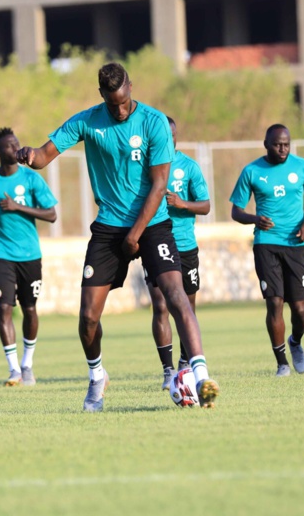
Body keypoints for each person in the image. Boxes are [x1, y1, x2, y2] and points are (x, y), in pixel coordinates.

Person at [16, 62, 220, 411]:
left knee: (177, 296)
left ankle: (201, 377)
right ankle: (97, 376)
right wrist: (29, 155)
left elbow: (159, 185)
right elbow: (43, 156)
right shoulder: (87, 121)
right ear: (102, 96)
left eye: (124, 102)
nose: (121, 110)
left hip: (152, 224)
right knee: (88, 317)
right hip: (109, 226)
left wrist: (135, 235)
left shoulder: (154, 121)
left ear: (131, 86)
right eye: (113, 105)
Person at [229, 124, 304, 377]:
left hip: (296, 244)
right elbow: (236, 211)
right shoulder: (252, 171)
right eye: (278, 144)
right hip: (266, 243)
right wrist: (254, 219)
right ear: (266, 145)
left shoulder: (302, 167)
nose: (283, 149)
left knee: (300, 308)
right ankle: (282, 363)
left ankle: (295, 342)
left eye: (286, 144)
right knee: (275, 302)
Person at [0, 127, 58, 386]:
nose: (15, 148)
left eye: (16, 143)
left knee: (29, 309)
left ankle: (27, 364)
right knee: (4, 307)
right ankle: (14, 369)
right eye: (9, 145)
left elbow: (51, 214)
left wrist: (17, 206)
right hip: (1, 252)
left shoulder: (31, 178)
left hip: (29, 254)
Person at [144, 117, 210, 391]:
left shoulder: (189, 166)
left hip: (185, 246)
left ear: (176, 136)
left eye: (171, 135)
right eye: (163, 136)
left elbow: (205, 206)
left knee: (186, 308)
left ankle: (186, 363)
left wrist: (182, 204)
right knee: (160, 306)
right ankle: (167, 369)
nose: (167, 140)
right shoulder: (146, 165)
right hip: (155, 244)